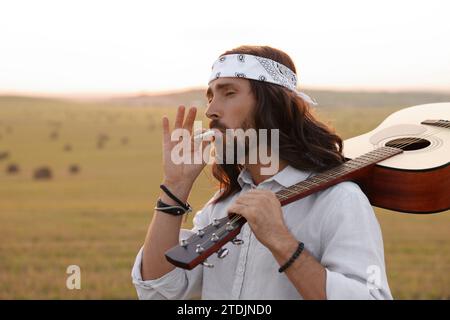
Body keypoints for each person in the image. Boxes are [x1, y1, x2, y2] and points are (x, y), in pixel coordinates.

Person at [131, 45, 393, 300]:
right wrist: (175, 187)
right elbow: (156, 292)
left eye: (229, 93)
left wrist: (281, 241)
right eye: (210, 96)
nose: (210, 110)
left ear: (273, 106)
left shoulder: (339, 201)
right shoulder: (219, 208)